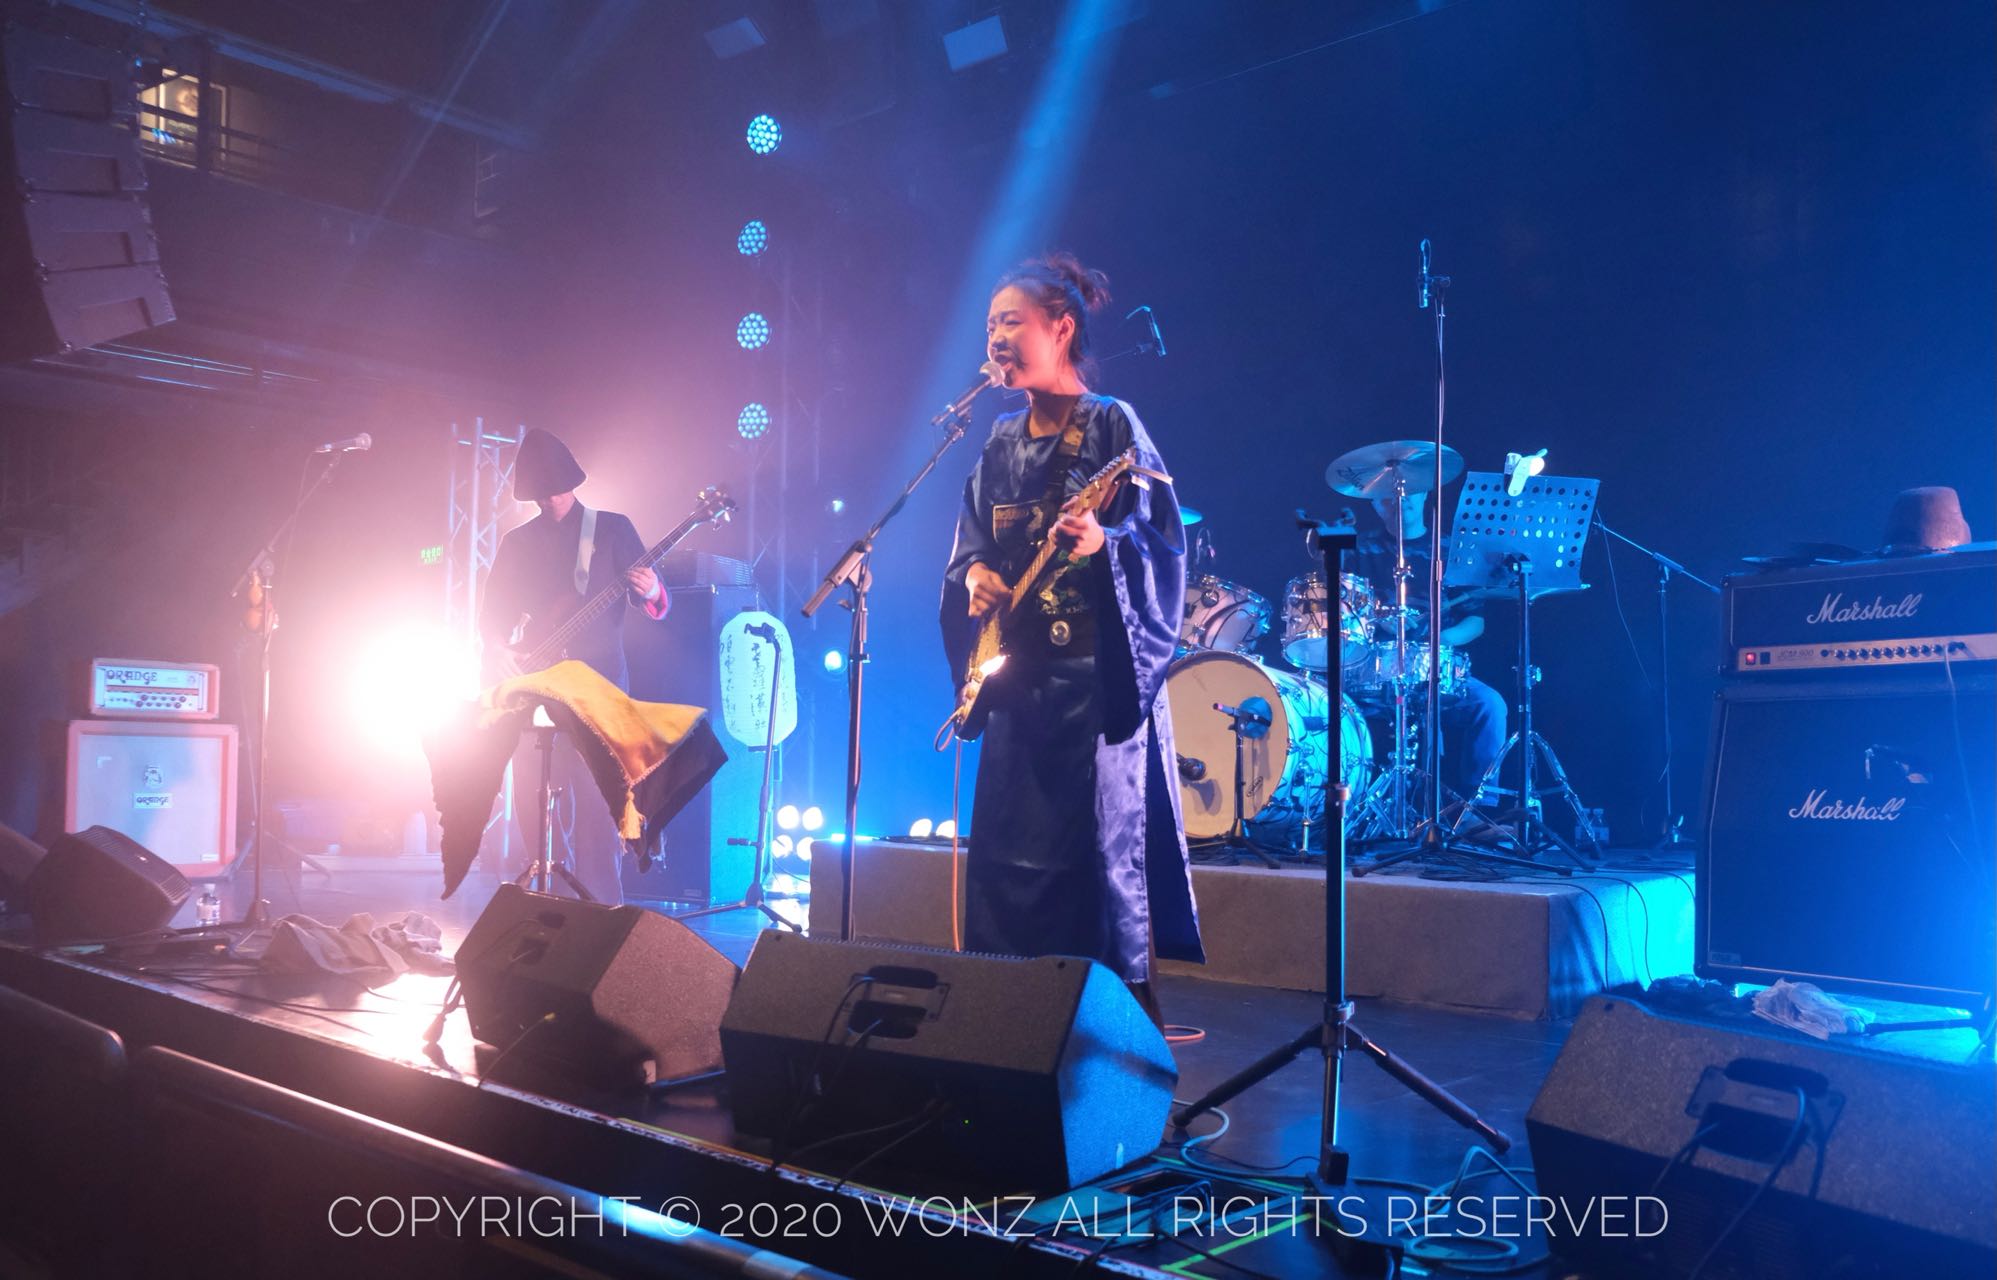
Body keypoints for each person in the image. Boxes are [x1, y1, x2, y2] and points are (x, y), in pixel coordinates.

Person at [940, 254, 1202, 1025]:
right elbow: (969, 543)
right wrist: (976, 575)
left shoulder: (1113, 425)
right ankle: (1004, 1016)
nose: (996, 337)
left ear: (1060, 328)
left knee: (1092, 861)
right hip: (1017, 685)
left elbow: (1161, 541)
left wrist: (1103, 543)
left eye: (1011, 321)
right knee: (1005, 858)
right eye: (989, 324)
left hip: (1093, 686)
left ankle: (1106, 1031)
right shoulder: (997, 440)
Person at [479, 428, 670, 904]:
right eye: (541, 494)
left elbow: (656, 601)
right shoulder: (518, 543)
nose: (550, 499)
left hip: (599, 686)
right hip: (538, 683)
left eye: (557, 490)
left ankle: (601, 909)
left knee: (597, 803)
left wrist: (652, 590)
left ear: (573, 482)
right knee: (533, 793)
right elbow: (494, 614)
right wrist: (497, 647)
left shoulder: (612, 529)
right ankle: (548, 902)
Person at [1349, 488, 1507, 803]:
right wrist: (1372, 623)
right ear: (1375, 504)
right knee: (1328, 708)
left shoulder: (1450, 550)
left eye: (1409, 490)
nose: (1399, 498)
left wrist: (1442, 640)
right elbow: (1341, 615)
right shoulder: (1357, 550)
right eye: (1388, 494)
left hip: (1436, 670)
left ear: (1424, 495)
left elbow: (1475, 622)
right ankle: (1345, 806)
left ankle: (1476, 810)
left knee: (1490, 705)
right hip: (1373, 674)